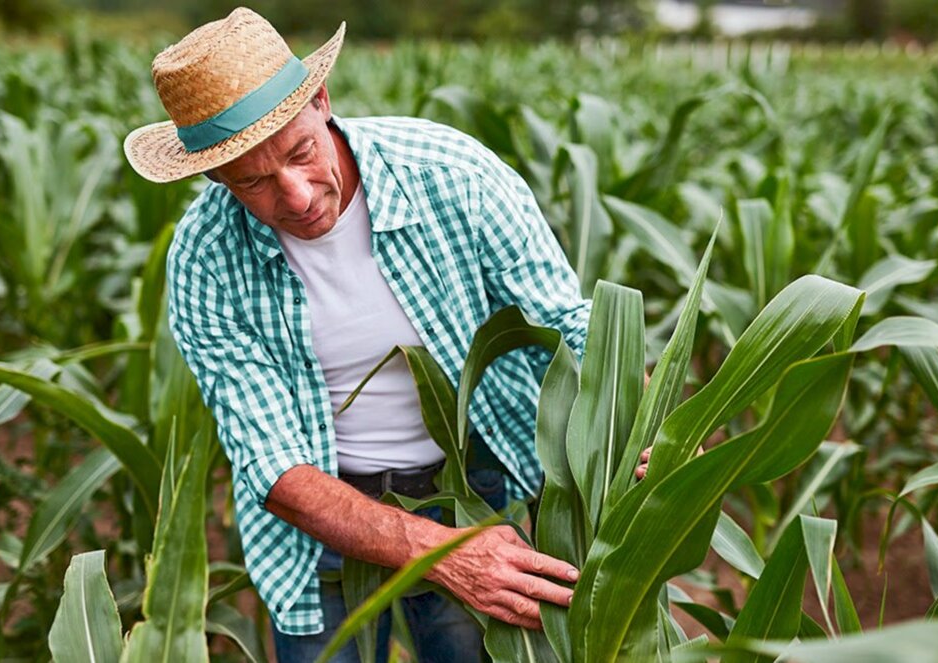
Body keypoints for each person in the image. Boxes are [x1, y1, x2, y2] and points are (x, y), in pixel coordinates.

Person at [124, 7, 648, 662]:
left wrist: (629, 420)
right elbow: (273, 463)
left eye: (300, 152)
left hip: (462, 481)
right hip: (318, 513)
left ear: (321, 99)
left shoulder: (452, 178)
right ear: (211, 175)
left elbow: (570, 325)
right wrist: (442, 555)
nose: (296, 196)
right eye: (253, 181)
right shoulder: (204, 260)